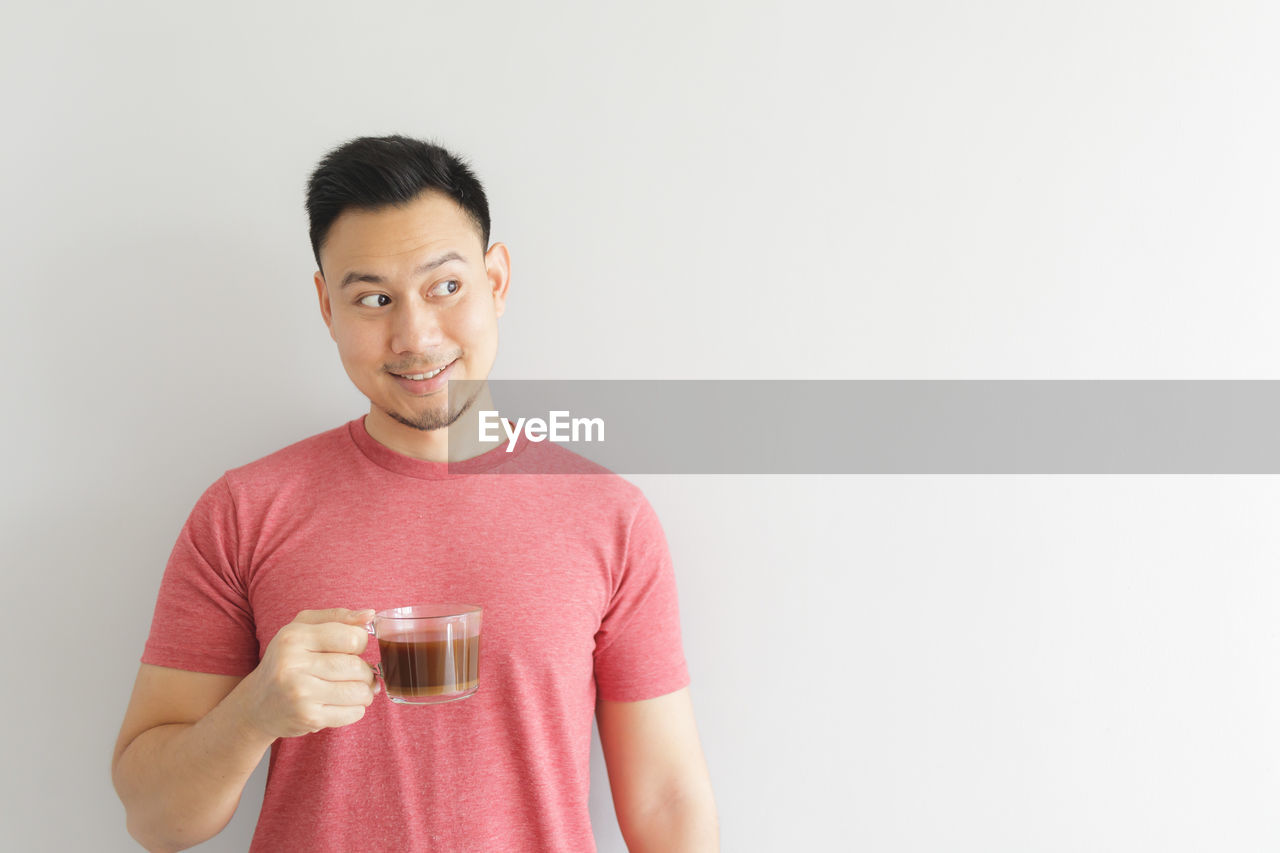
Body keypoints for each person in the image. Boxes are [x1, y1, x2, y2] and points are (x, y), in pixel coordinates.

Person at [111, 135, 719, 852]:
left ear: (496, 280)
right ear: (326, 307)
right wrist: (252, 714)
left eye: (445, 287)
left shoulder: (609, 516)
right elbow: (154, 820)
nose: (415, 334)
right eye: (373, 298)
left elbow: (666, 801)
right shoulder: (244, 511)